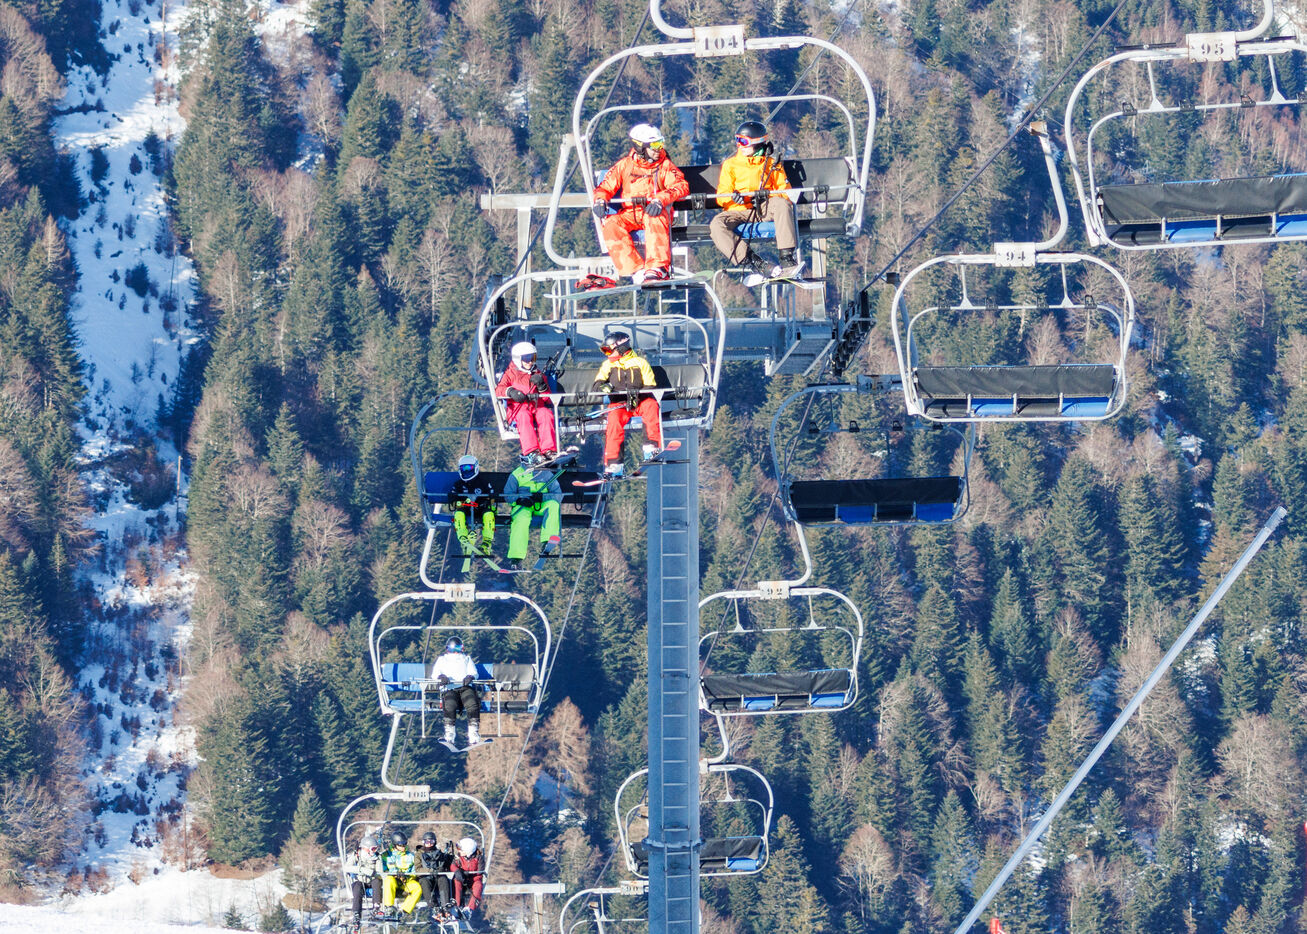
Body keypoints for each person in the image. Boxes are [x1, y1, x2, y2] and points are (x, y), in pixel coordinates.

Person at [577, 123, 690, 290]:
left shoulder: (664, 166)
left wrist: (660, 200)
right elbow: (605, 186)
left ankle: (657, 268)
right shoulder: (625, 165)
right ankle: (636, 271)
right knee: (611, 224)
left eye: (660, 143)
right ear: (640, 147)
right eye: (654, 145)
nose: (658, 149)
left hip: (654, 211)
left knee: (653, 218)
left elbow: (681, 186)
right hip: (631, 213)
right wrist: (600, 200)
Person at [709, 120, 803, 281]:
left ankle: (787, 258)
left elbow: (784, 192)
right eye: (737, 140)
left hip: (764, 208)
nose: (740, 145)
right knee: (716, 225)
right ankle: (755, 262)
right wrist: (733, 197)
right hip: (738, 210)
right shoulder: (731, 165)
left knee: (782, 204)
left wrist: (767, 196)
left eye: (744, 141)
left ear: (757, 142)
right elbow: (722, 194)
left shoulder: (771, 164)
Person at [591, 331, 662, 475]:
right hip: (619, 404)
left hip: (640, 401)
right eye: (605, 351)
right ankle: (614, 463)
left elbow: (650, 385)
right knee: (614, 420)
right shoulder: (608, 365)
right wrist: (604, 387)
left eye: (609, 350)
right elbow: (596, 386)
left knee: (652, 406)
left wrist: (637, 395)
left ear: (621, 347)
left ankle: (651, 448)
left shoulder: (640, 363)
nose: (607, 354)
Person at [495, 341, 557, 463]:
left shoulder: (538, 373)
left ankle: (549, 450)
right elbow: (499, 390)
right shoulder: (510, 374)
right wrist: (511, 392)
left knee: (546, 414)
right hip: (518, 408)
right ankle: (531, 451)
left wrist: (542, 386)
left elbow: (547, 398)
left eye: (533, 358)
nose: (530, 362)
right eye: (527, 358)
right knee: (524, 416)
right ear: (518, 359)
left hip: (537, 406)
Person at [502, 455, 562, 568]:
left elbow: (558, 495)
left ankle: (548, 541)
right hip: (524, 506)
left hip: (541, 505)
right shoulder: (516, 474)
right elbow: (508, 495)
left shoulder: (546, 473)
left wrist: (542, 497)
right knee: (521, 519)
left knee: (553, 505)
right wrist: (519, 500)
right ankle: (516, 556)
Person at [431, 637, 482, 747]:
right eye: (452, 649)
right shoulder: (442, 660)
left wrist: (470, 676)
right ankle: (449, 732)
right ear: (447, 649)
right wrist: (441, 677)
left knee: (472, 703)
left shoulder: (466, 659)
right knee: (450, 704)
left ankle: (473, 732)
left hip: (464, 687)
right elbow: (435, 674)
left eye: (457, 649)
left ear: (462, 649)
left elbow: (474, 672)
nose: (455, 652)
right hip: (450, 688)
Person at [449, 455, 495, 559]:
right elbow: (452, 498)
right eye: (463, 468)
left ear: (475, 467)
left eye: (469, 468)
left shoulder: (483, 482)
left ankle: (486, 543)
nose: (466, 471)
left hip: (481, 508)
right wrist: (459, 503)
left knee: (489, 514)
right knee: (458, 514)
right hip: (466, 509)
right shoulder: (458, 485)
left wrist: (486, 502)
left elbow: (492, 496)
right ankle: (464, 540)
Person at [378, 830, 422, 920]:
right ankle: (389, 908)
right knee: (388, 880)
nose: (403, 847)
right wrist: (394, 874)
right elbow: (382, 871)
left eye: (405, 844)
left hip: (405, 882)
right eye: (400, 845)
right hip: (393, 881)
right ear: (394, 845)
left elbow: (414, 871)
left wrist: (407, 876)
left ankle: (403, 911)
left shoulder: (410, 856)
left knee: (417, 887)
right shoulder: (386, 856)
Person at [415, 832, 455, 923]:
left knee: (443, 879)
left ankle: (445, 907)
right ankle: (434, 907)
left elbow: (445, 865)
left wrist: (446, 861)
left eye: (431, 841)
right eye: (427, 842)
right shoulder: (418, 854)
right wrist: (430, 870)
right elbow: (417, 869)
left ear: (435, 842)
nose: (429, 844)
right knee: (424, 882)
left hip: (437, 877)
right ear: (423, 842)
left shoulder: (439, 853)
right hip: (426, 877)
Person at [345, 834, 381, 934]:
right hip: (360, 880)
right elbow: (346, 867)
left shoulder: (377, 857)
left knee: (377, 882)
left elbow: (380, 872)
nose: (374, 851)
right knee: (357, 887)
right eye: (373, 849)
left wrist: (374, 873)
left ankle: (376, 906)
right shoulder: (357, 855)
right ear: (365, 848)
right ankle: (356, 913)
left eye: (375, 849)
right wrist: (361, 870)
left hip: (372, 880)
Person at [450, 837, 486, 918]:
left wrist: (469, 876)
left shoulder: (478, 858)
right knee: (456, 881)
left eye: (461, 849)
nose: (459, 851)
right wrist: (457, 871)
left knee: (478, 885)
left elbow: (479, 873)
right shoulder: (459, 857)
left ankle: (469, 908)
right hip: (462, 879)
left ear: (468, 851)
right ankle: (457, 905)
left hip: (474, 880)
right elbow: (453, 865)